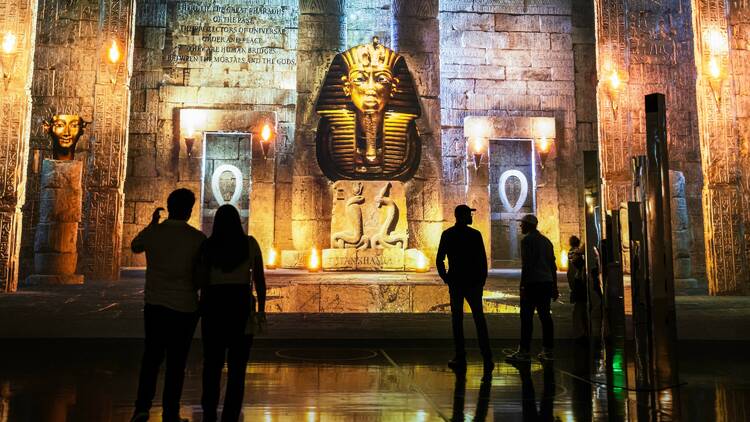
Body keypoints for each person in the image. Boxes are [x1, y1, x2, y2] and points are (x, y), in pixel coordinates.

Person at [130, 189, 206, 422]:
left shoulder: (155, 233)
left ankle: (142, 408)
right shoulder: (197, 238)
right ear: (189, 211)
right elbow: (201, 275)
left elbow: (135, 246)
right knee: (176, 362)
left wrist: (153, 225)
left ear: (169, 207)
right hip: (184, 306)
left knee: (151, 358)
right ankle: (170, 412)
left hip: (155, 304)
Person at [199, 204, 266, 422]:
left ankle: (209, 411)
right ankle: (231, 414)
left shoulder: (208, 246)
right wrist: (261, 311)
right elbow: (259, 280)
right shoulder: (249, 244)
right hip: (239, 305)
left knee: (212, 364)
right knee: (237, 368)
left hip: (214, 305)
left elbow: (201, 279)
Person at [436, 204, 493, 378]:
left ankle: (460, 356)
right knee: (479, 319)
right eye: (469, 214)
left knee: (457, 321)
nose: (471, 217)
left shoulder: (448, 234)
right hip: (473, 282)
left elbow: (440, 259)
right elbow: (482, 261)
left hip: (457, 282)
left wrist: (446, 278)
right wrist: (481, 280)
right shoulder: (475, 235)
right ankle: (487, 357)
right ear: (462, 216)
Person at [505, 214, 559, 363]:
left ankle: (524, 351)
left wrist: (522, 285)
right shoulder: (546, 241)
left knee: (526, 318)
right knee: (545, 317)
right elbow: (552, 266)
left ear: (529, 225)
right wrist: (554, 286)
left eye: (522, 224)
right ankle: (548, 350)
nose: (520, 227)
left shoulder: (527, 241)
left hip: (533, 283)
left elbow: (527, 265)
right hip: (546, 283)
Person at [567, 235, 588, 341]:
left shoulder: (571, 252)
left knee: (579, 307)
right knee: (580, 307)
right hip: (578, 282)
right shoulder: (577, 253)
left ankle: (580, 330)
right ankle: (581, 331)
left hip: (575, 282)